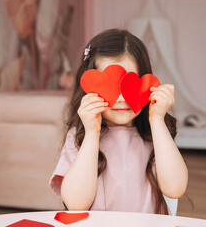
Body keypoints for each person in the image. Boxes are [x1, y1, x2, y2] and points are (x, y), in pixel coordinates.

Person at [49, 29, 188, 215]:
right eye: (111, 86)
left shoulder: (154, 133)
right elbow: (75, 204)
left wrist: (156, 119)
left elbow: (175, 188)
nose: (121, 98)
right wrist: (92, 134)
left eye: (130, 84)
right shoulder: (80, 135)